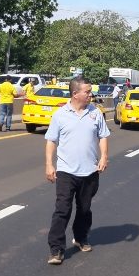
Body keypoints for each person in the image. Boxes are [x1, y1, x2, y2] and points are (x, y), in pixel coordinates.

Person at [45, 77, 110, 265]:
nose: (91, 95)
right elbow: (51, 141)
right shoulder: (60, 115)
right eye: (87, 92)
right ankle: (56, 249)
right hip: (66, 171)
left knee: (84, 208)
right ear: (75, 94)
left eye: (90, 92)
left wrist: (104, 156)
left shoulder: (95, 113)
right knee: (62, 209)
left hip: (89, 171)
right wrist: (49, 164)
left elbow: (103, 136)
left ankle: (81, 238)